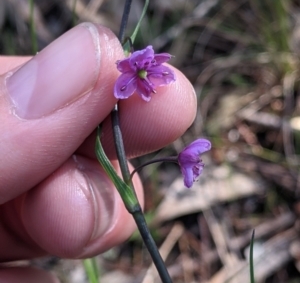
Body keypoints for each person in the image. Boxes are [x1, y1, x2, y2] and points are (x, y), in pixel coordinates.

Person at [0, 23, 197, 282]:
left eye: (146, 69)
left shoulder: (134, 76)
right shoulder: (123, 77)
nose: (144, 72)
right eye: (142, 69)